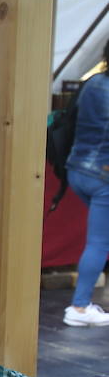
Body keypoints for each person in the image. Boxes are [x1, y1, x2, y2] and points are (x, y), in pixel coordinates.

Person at [63, 39, 109, 327]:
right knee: (98, 243)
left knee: (100, 239)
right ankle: (79, 308)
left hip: (77, 169)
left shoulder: (92, 83)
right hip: (103, 176)